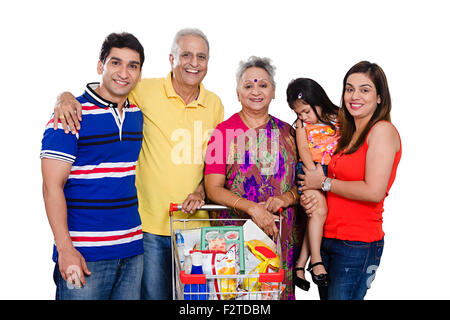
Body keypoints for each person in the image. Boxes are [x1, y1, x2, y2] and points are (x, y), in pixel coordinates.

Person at [52, 28, 224, 300]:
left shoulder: (214, 104)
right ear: (171, 58)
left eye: (201, 56)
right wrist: (64, 97)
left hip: (195, 229)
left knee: (197, 303)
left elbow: (213, 164)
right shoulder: (143, 90)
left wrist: (202, 191)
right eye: (186, 55)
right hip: (148, 228)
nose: (193, 63)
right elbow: (108, 88)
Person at [41, 32, 145, 300]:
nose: (123, 73)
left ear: (140, 73)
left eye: (132, 65)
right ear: (100, 66)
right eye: (115, 63)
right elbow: (52, 186)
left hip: (132, 252)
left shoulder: (137, 115)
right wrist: (65, 249)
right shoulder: (69, 115)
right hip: (85, 256)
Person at [298, 61, 401, 300]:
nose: (354, 96)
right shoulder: (347, 134)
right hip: (329, 239)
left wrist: (323, 183)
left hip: (356, 244)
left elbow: (374, 191)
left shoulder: (382, 131)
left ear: (379, 97)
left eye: (365, 90)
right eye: (349, 88)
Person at [204, 56, 302, 300]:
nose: (256, 91)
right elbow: (213, 188)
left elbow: (306, 184)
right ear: (238, 93)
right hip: (234, 239)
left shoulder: (290, 133)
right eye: (248, 86)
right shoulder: (223, 133)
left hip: (280, 237)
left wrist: (286, 198)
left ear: (273, 91)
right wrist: (253, 209)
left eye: (263, 85)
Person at [286, 78, 340, 291]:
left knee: (317, 216)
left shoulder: (339, 118)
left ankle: (300, 264)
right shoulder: (301, 125)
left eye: (306, 111)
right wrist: (314, 174)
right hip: (309, 171)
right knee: (319, 212)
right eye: (298, 113)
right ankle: (316, 262)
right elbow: (304, 149)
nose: (302, 117)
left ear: (318, 101)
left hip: (331, 174)